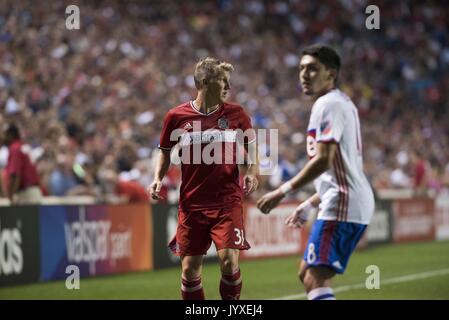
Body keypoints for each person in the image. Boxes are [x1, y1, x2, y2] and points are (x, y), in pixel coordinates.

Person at [257, 45, 374, 300]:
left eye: (312, 69)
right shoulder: (339, 103)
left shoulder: (328, 104)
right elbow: (338, 169)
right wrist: (310, 203)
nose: (304, 75)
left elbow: (323, 160)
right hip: (345, 199)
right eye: (301, 69)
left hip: (343, 203)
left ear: (331, 74)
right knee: (306, 272)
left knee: (314, 277)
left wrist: (282, 191)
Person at [148, 57, 259, 300]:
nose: (228, 87)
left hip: (226, 202)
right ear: (206, 82)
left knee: (229, 262)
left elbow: (251, 143)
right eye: (223, 81)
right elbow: (164, 153)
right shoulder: (176, 116)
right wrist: (158, 177)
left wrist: (250, 172)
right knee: (189, 270)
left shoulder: (236, 114)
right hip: (192, 204)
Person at [2, 123, 43, 204]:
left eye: (5, 134)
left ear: (11, 135)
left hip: (26, 194)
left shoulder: (15, 148)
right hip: (34, 192)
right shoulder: (23, 146)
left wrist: (10, 197)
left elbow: (15, 175)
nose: (3, 137)